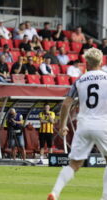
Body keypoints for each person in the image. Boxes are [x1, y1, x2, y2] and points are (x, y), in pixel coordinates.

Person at [47, 48, 107, 200]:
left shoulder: (79, 81)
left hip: (84, 125)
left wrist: (62, 126)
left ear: (86, 63)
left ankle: (55, 192)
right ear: (101, 62)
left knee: (74, 164)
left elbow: (66, 104)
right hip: (103, 124)